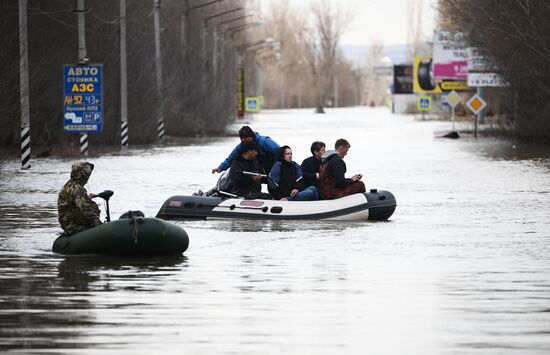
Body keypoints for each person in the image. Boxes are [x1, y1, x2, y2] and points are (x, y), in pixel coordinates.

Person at [212, 125, 280, 175]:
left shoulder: (265, 142)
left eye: (245, 139)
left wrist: (275, 170)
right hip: (257, 170)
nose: (243, 142)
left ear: (251, 137)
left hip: (272, 168)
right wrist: (220, 168)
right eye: (241, 140)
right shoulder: (242, 145)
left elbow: (281, 153)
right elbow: (231, 158)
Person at [57, 161, 102, 235]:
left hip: (68, 226)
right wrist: (100, 226)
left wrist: (87, 199)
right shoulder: (78, 189)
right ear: (83, 175)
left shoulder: (68, 186)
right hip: (75, 227)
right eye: (87, 175)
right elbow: (87, 211)